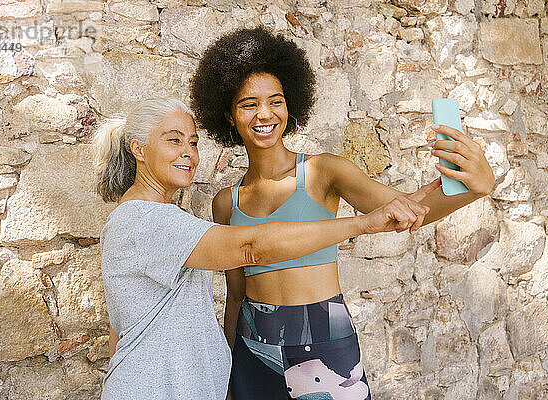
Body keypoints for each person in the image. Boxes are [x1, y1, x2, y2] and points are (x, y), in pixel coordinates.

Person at [190, 27, 495, 400]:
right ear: (228, 114)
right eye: (248, 104)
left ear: (291, 105)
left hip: (325, 342)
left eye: (276, 101)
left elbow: (403, 211)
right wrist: (229, 369)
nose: (264, 114)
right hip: (255, 347)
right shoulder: (226, 202)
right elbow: (235, 295)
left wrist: (476, 189)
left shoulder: (323, 172)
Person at [94, 98, 433, 399]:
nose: (188, 152)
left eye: (193, 142)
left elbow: (119, 326)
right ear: (138, 149)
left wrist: (453, 187)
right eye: (174, 140)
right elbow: (252, 247)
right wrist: (361, 224)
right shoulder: (146, 220)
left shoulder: (156, 218)